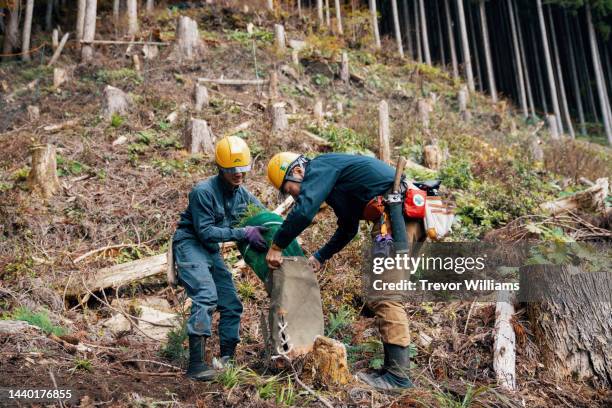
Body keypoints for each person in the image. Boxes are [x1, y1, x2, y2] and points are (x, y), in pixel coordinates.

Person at [265, 152, 425, 390]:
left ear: (298, 172)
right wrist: (320, 256)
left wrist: (277, 245)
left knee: (385, 296)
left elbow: (305, 210)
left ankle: (398, 377)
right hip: (400, 218)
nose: (294, 197)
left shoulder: (320, 167)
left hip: (398, 218)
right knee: (382, 294)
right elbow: (348, 228)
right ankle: (392, 369)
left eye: (290, 190)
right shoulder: (337, 184)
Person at [173, 136, 268, 381]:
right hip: (191, 244)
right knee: (205, 295)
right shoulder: (202, 192)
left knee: (231, 302)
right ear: (221, 168)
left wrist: (285, 232)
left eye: (242, 170)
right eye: (232, 170)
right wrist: (242, 232)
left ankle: (226, 359)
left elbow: (263, 216)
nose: (238, 175)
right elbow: (205, 232)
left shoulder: (242, 194)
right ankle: (196, 366)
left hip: (211, 249)